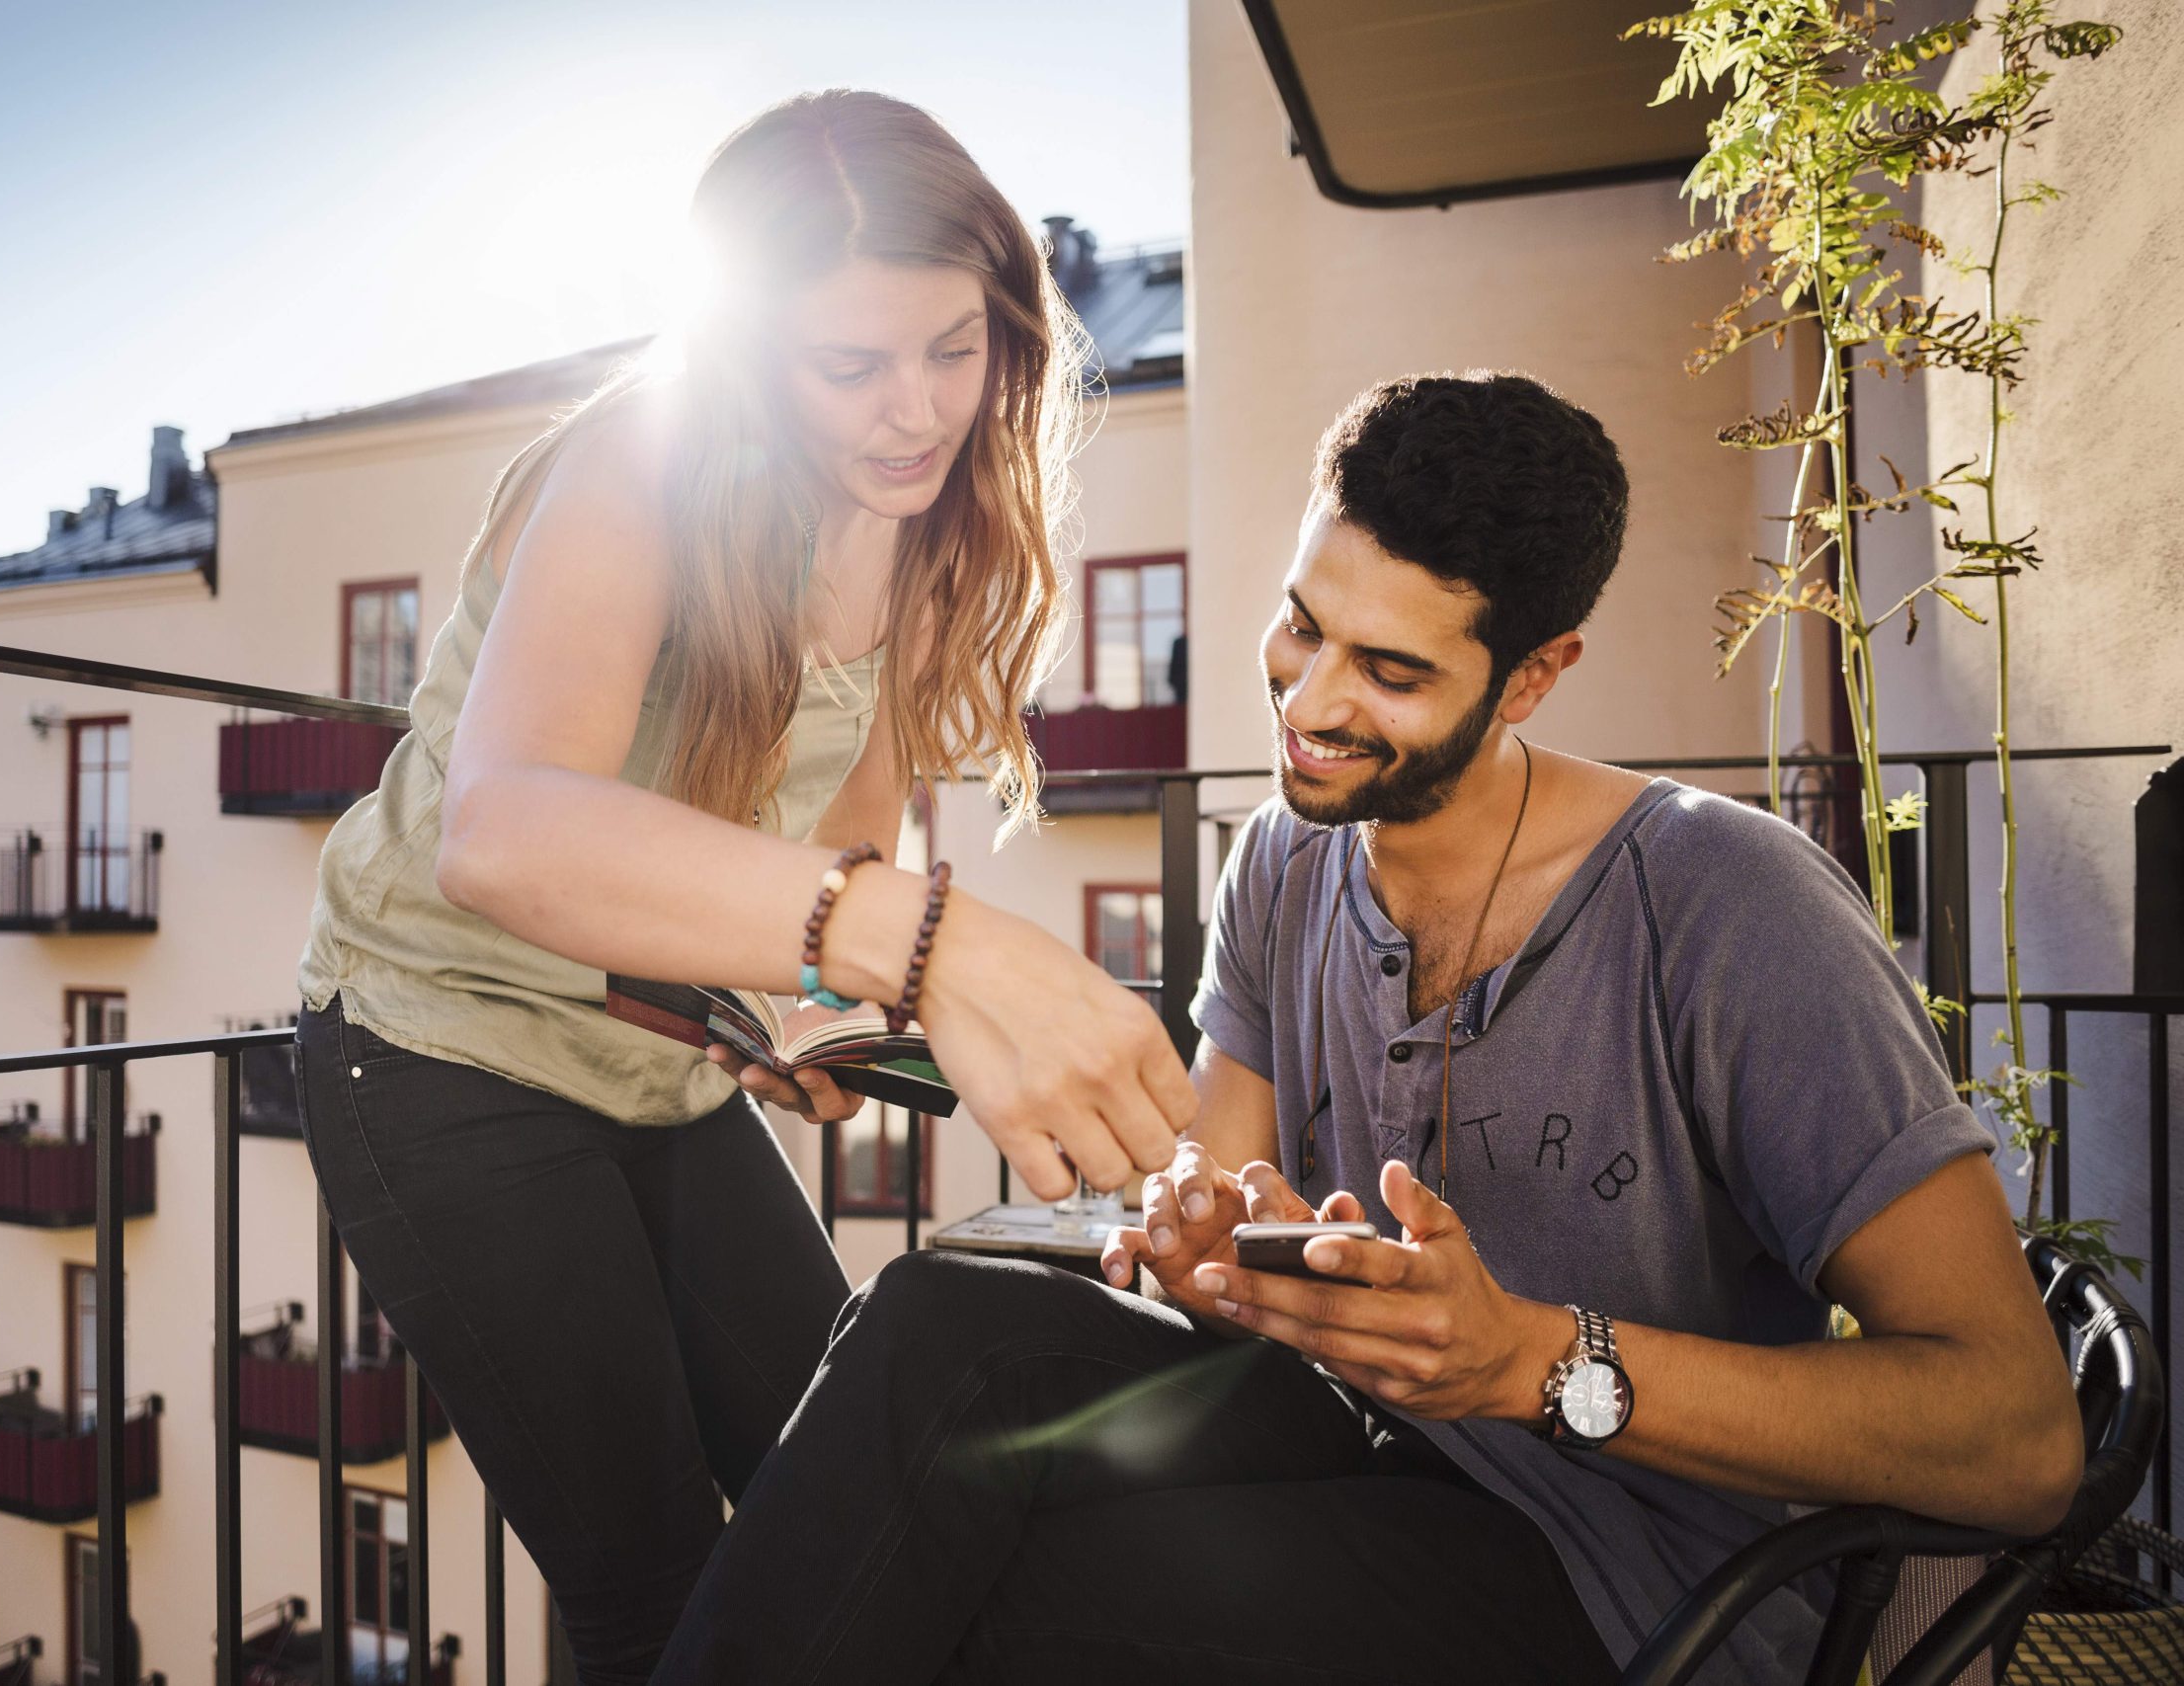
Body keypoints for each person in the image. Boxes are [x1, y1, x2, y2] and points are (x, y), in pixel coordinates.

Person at [649, 372, 2083, 1686]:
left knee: (1026, 1597)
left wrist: (1524, 1357)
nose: (1310, 702)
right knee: (939, 1328)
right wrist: (1209, 1233)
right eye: (1302, 624)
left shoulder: (1731, 909)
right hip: (1359, 1429)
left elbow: (2017, 1438)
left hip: (1622, 1571)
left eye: (1391, 673)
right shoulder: (1287, 855)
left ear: (1531, 677)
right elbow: (1216, 1188)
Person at [290, 91, 1190, 1686]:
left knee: (842, 1493)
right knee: (652, 1587)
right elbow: (498, 832)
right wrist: (934, 947)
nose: (912, 411)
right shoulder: (642, 463)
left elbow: (837, 841)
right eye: (848, 364)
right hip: (441, 1048)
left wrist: (816, 1012)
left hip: (664, 1060)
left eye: (953, 348)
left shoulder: (917, 519)